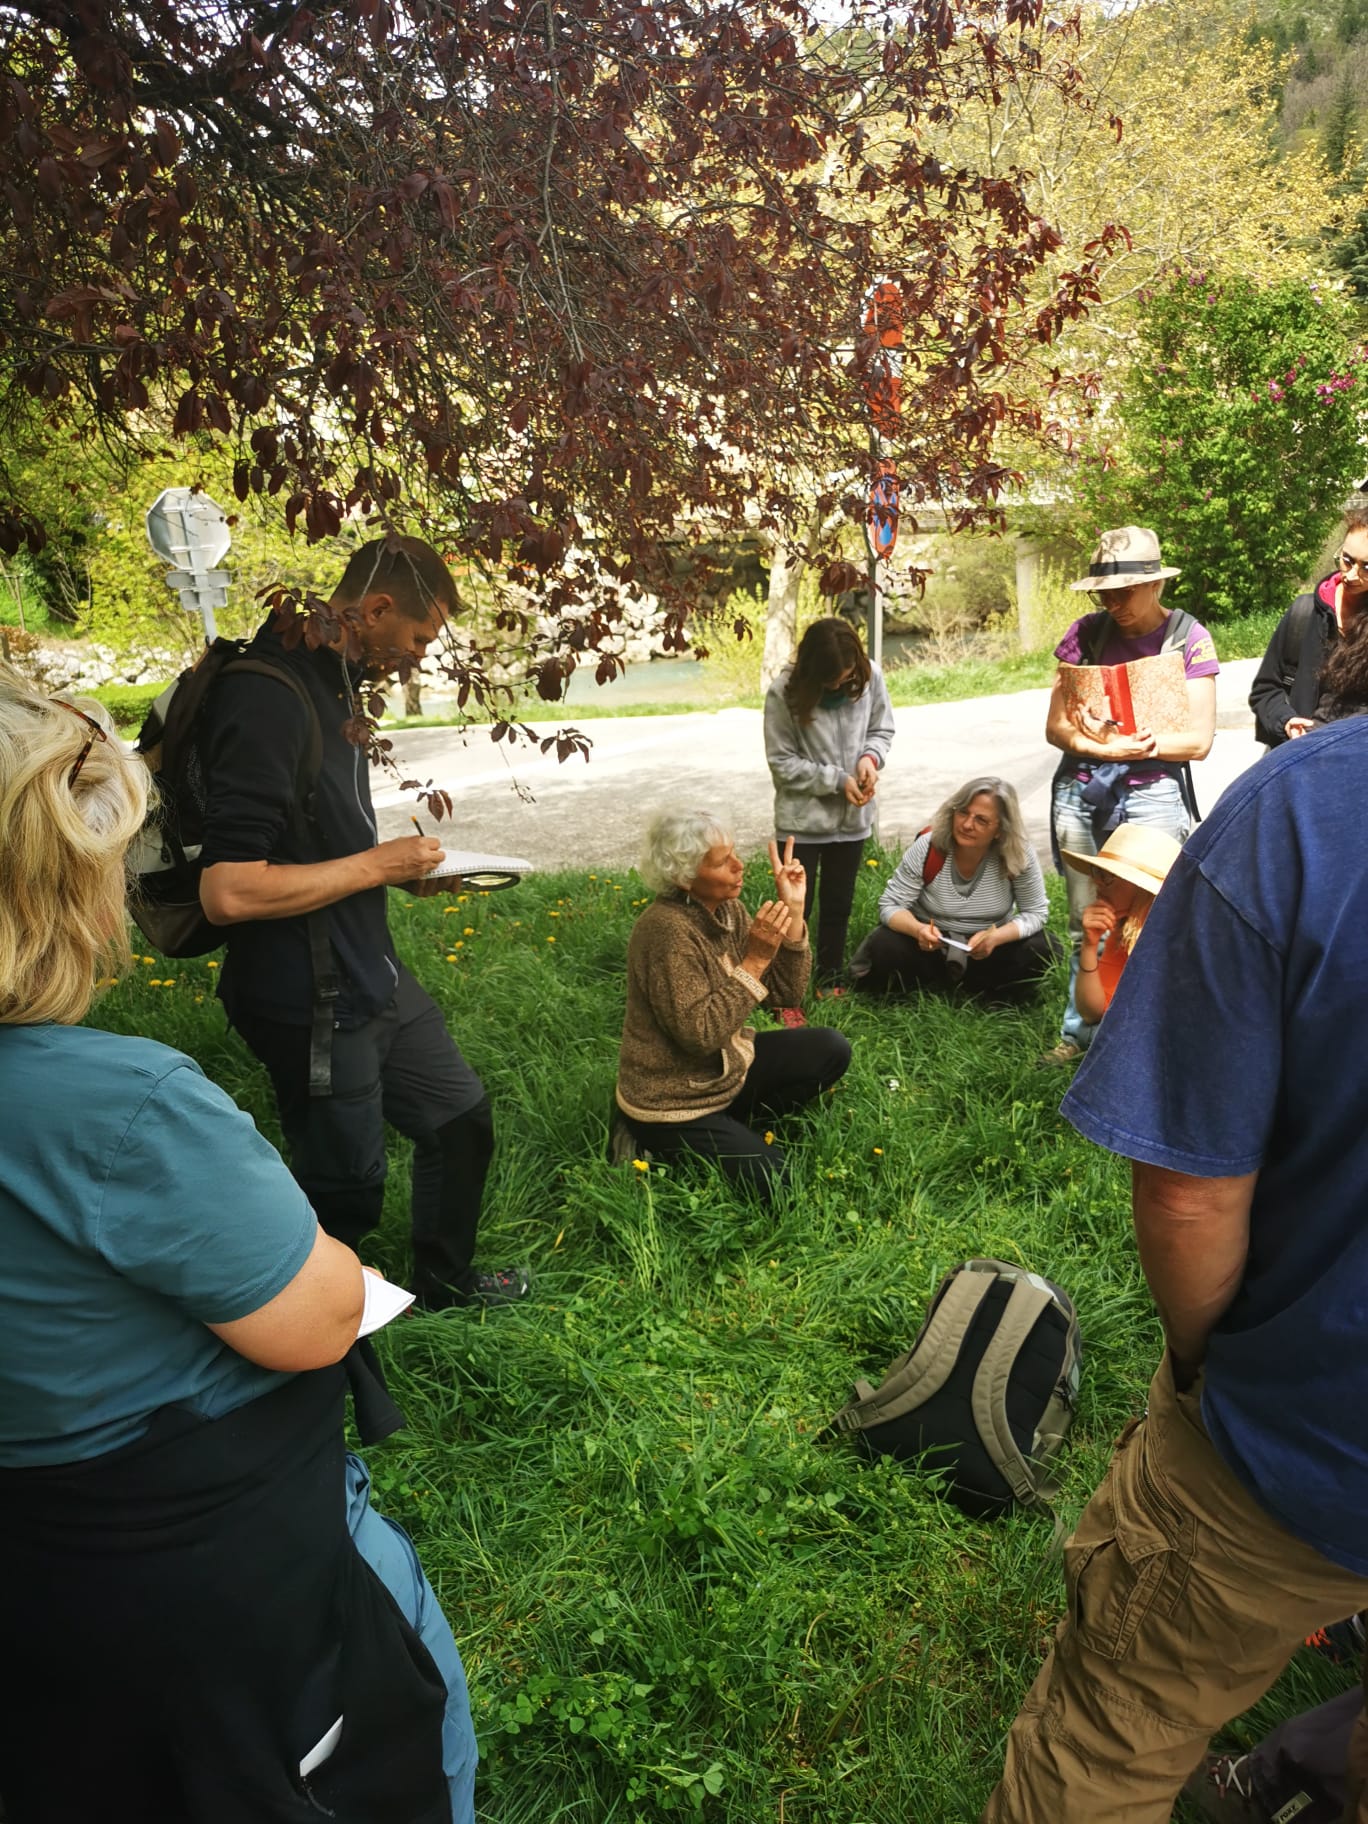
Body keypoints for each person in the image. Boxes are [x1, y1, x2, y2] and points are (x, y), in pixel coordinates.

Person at [0, 668, 477, 1823]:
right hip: (218, 1574)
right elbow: (316, 1320)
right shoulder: (120, 1109)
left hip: (42, 1584)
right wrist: (339, 1268)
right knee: (415, 1740)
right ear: (67, 883)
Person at [981, 712, 1368, 1824]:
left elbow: (1189, 1193)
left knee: (1108, 1743)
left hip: (1296, 1443)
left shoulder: (1304, 811)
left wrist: (1197, 1361)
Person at [198, 537, 526, 1310]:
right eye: (419, 637)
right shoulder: (268, 695)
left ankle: (443, 1287)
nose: (422, 656)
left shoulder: (337, 685)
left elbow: (318, 843)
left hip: (367, 970)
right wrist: (378, 866)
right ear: (375, 609)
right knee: (344, 1191)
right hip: (306, 997)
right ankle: (314, 1340)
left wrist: (402, 872)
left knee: (460, 1120)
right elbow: (227, 892)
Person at [1041, 524, 1218, 1066]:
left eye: (1124, 592)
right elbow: (1055, 727)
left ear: (1156, 583)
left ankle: (1149, 1039)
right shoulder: (1085, 633)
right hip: (1083, 788)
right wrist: (1099, 746)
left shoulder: (1188, 638)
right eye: (1104, 594)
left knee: (1149, 921)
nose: (1112, 604)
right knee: (1086, 918)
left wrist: (1138, 747)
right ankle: (1079, 1035)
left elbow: (1199, 740)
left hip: (1154, 793)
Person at [612, 811, 852, 1198]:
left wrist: (794, 911)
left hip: (725, 1069)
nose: (740, 866)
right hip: (672, 1099)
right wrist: (754, 961)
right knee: (781, 1184)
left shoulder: (726, 910)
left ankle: (728, 1126)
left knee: (831, 1049)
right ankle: (646, 1140)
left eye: (734, 854)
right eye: (724, 861)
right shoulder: (665, 932)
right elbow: (700, 1035)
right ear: (685, 877)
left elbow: (785, 996)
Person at [763, 617, 895, 985]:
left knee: (839, 905)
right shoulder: (783, 692)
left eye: (846, 677)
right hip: (801, 823)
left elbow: (881, 730)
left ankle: (829, 978)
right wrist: (837, 781)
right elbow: (781, 763)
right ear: (811, 670)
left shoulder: (871, 677)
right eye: (830, 681)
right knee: (795, 909)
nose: (839, 685)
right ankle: (788, 984)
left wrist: (870, 759)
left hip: (853, 821)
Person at [848, 777, 1062, 1001]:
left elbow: (1035, 912)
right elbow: (890, 905)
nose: (967, 825)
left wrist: (996, 938)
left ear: (1000, 830)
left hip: (988, 950)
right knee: (885, 943)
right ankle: (923, 987)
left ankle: (990, 994)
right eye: (963, 813)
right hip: (929, 948)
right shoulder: (929, 845)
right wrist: (918, 930)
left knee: (1044, 946)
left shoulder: (1018, 853)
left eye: (981, 820)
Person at [1248, 501, 1368, 746]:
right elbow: (1265, 690)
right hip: (1300, 755)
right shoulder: (1305, 612)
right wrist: (1286, 721)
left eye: (1367, 567)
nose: (1351, 575)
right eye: (1347, 560)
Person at [1058, 825, 1180, 1029]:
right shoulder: (1125, 928)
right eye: (1098, 872)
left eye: (1108, 876)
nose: (1096, 882)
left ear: (1142, 887)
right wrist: (1089, 945)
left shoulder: (1175, 936)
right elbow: (1091, 1014)